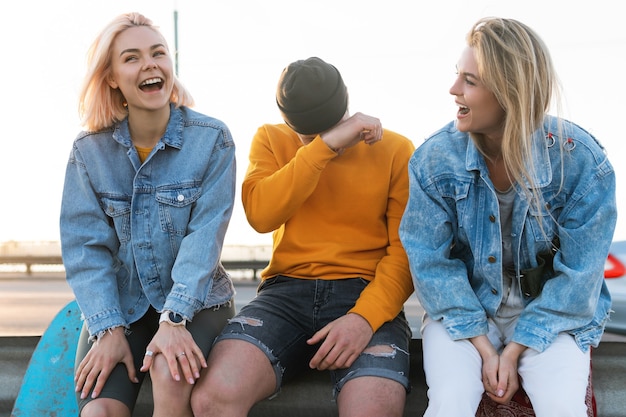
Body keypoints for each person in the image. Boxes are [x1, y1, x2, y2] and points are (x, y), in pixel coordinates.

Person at [399, 17, 617, 416]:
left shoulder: (581, 163)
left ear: (509, 93)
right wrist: (484, 347)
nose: (453, 90)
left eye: (469, 80)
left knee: (562, 407)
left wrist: (516, 348)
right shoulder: (433, 160)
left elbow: (580, 279)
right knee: (449, 403)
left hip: (551, 315)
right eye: (457, 76)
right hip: (464, 312)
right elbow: (431, 266)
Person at [191, 57, 415, 417]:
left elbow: (404, 254)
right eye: (307, 136)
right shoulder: (270, 138)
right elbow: (262, 215)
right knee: (213, 398)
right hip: (285, 293)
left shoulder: (396, 150)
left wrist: (364, 318)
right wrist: (322, 148)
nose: (323, 141)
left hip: (365, 292)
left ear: (346, 101)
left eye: (327, 129)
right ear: (285, 119)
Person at [59, 12, 237, 417]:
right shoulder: (89, 151)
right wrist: (106, 328)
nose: (150, 64)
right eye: (132, 57)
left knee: (169, 373)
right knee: (99, 409)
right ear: (112, 77)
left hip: (198, 303)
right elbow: (85, 248)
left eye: (158, 53)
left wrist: (173, 320)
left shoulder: (212, 139)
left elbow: (204, 239)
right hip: (120, 306)